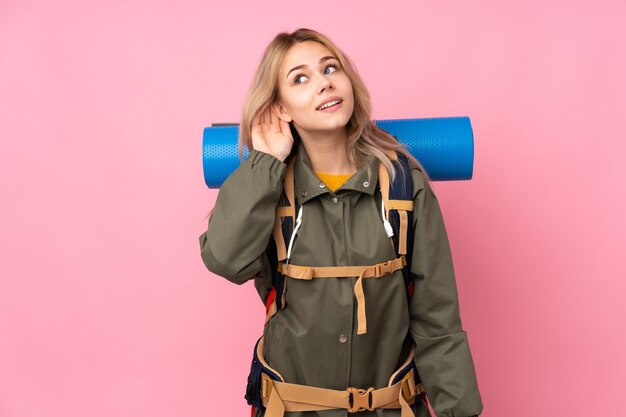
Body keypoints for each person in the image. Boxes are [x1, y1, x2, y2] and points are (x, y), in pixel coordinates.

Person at [199, 28, 483, 417]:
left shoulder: (405, 186)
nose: (324, 83)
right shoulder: (265, 187)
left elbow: (439, 323)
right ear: (280, 108)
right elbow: (225, 260)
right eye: (300, 78)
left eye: (330, 68)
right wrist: (266, 161)